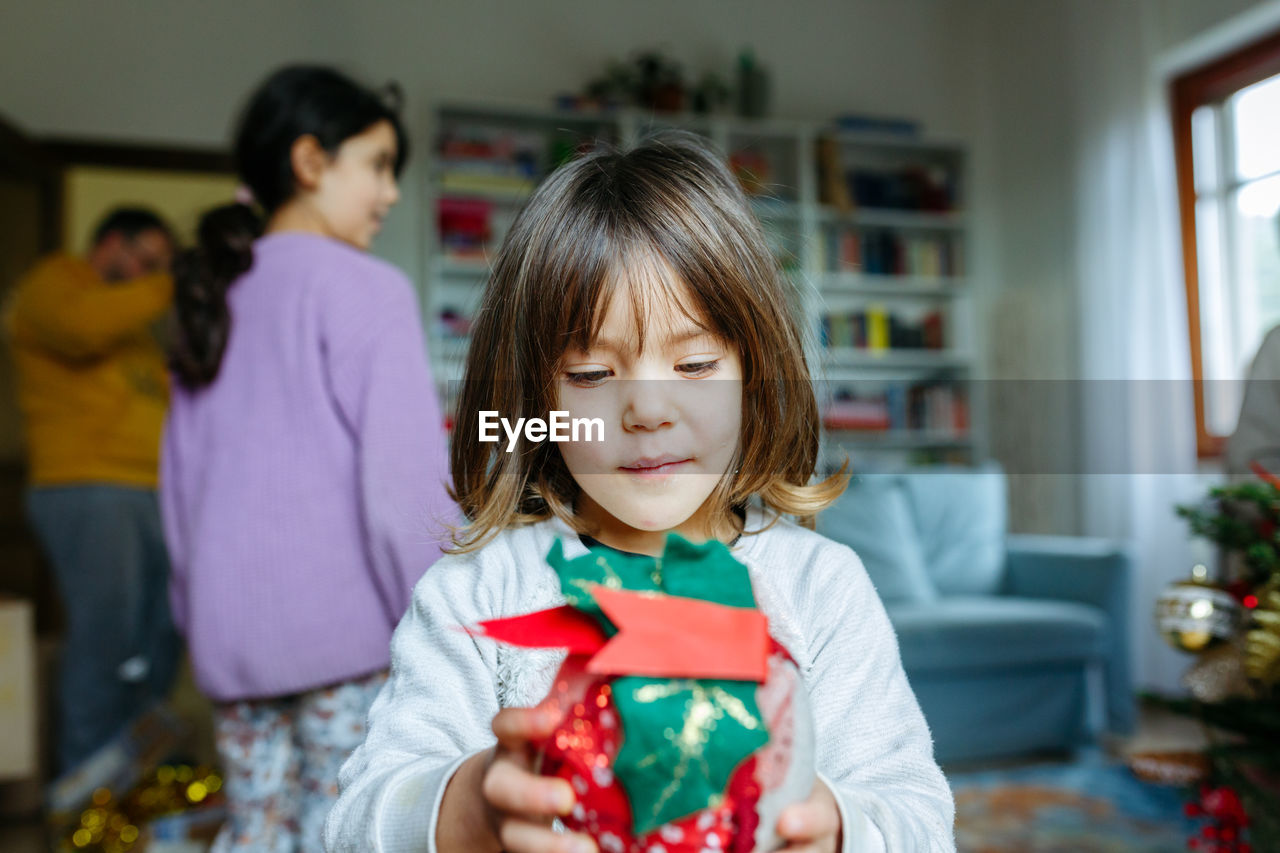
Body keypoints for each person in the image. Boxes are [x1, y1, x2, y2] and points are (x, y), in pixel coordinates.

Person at [326, 132, 955, 852]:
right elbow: (354, 822)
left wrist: (842, 829)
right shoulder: (477, 593)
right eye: (591, 375)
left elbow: (919, 814)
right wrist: (468, 810)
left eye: (693, 363)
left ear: (756, 371)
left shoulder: (821, 589)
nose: (647, 409)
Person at [160, 65, 454, 852]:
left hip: (230, 643)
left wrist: (201, 621)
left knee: (256, 831)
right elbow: (401, 495)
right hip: (344, 644)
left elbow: (178, 491)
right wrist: (447, 619)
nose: (391, 194)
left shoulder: (209, 297)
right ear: (311, 162)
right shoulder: (368, 289)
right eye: (379, 165)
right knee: (347, 830)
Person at [5, 206, 181, 774]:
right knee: (106, 647)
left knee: (154, 649)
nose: (152, 276)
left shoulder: (132, 329)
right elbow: (79, 329)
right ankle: (85, 801)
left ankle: (129, 791)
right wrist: (171, 283)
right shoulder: (56, 284)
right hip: (89, 487)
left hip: (151, 493)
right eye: (147, 260)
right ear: (110, 244)